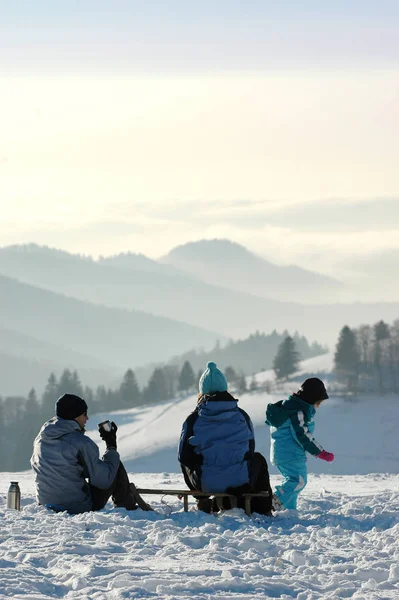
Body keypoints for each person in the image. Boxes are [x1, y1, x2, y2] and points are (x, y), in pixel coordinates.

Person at [178, 361, 273, 515]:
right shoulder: (242, 416)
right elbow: (249, 450)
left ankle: (202, 499)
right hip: (241, 480)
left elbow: (183, 456)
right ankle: (262, 507)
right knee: (258, 460)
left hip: (205, 483)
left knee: (186, 461)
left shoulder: (194, 419)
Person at [31, 393, 149, 514]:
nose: (87, 419)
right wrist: (111, 446)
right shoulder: (82, 443)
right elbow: (103, 479)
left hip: (46, 504)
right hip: (75, 507)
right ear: (75, 416)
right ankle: (127, 507)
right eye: (84, 414)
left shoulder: (41, 439)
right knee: (115, 464)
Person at [265, 377, 334, 510]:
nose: (318, 405)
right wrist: (320, 452)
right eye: (318, 402)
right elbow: (302, 435)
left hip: (283, 453)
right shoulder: (296, 412)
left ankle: (289, 511)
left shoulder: (288, 409)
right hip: (291, 454)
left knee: (293, 483)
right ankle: (275, 501)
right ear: (311, 399)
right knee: (298, 481)